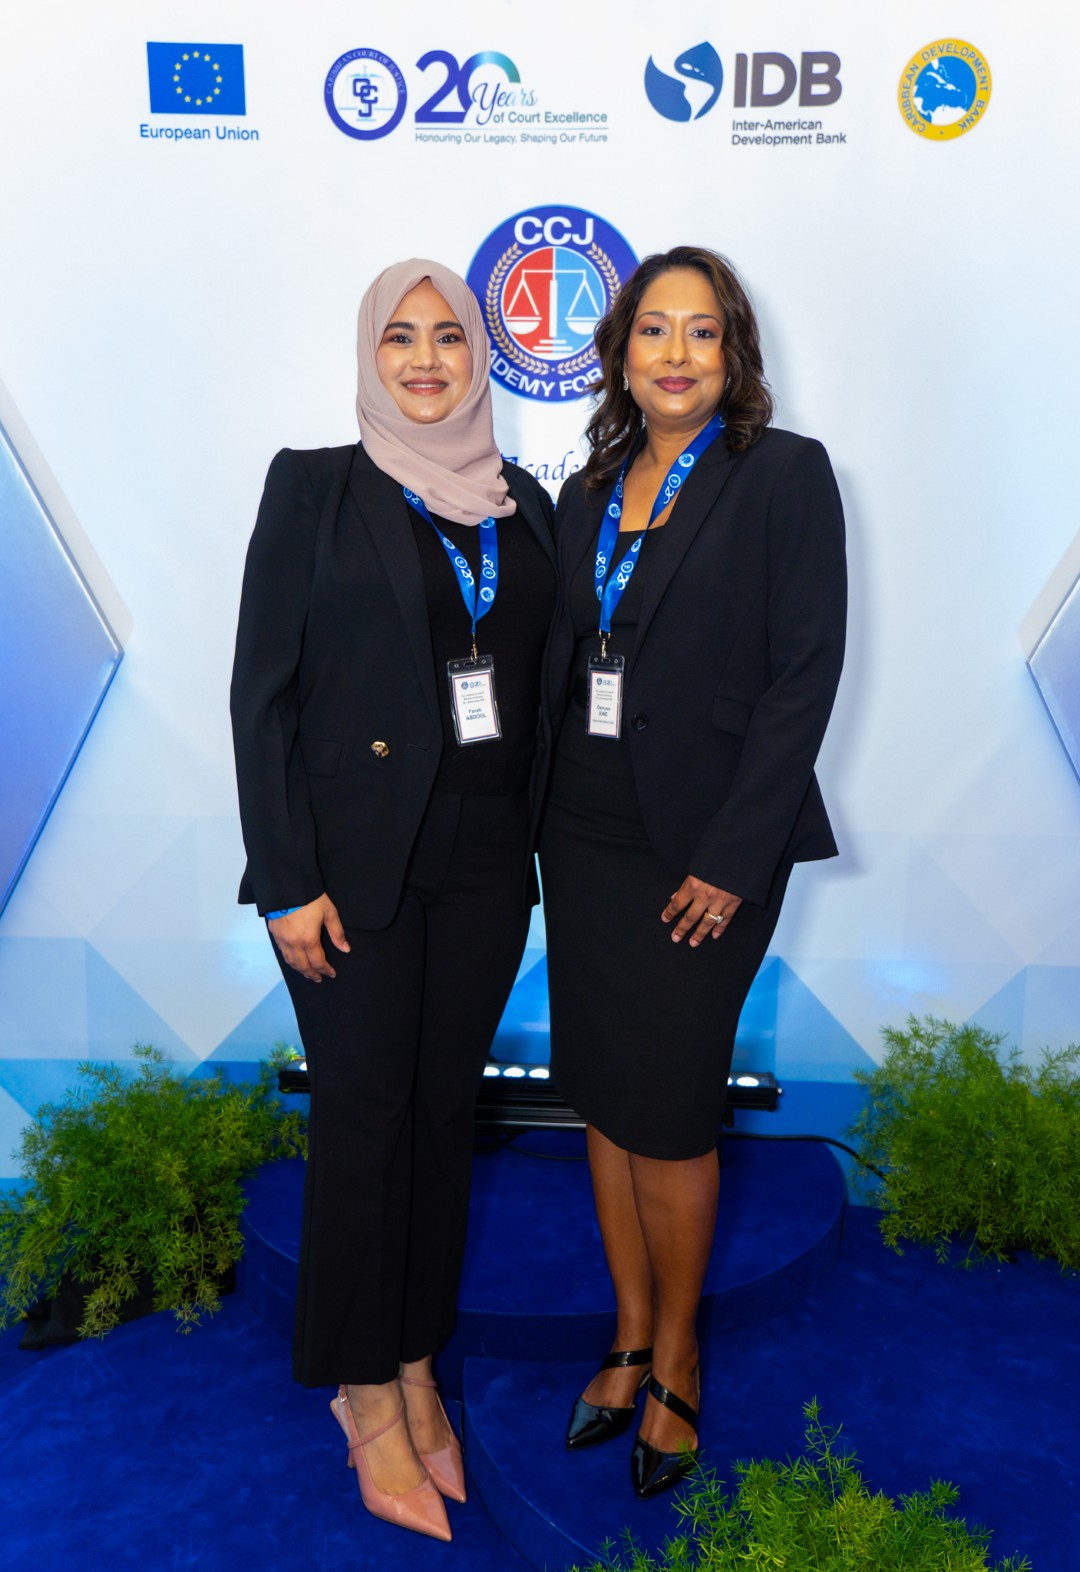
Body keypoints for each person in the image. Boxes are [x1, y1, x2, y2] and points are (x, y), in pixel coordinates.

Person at [230, 259, 556, 1541]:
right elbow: (262, 697)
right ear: (370, 356)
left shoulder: (522, 503)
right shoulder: (312, 488)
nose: (427, 360)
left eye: (449, 338)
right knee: (363, 1124)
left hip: (485, 868)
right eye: (401, 338)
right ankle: (362, 1391)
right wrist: (285, 882)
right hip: (349, 876)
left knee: (437, 1121)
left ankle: (417, 1359)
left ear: (481, 357)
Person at [538, 245, 846, 1499]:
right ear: (619, 353)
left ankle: (677, 1358)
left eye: (702, 331)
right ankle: (626, 1332)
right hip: (584, 836)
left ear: (734, 354)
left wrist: (733, 857)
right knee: (606, 1102)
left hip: (707, 848)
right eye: (654, 330)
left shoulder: (784, 475)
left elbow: (804, 677)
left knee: (666, 1109)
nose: (676, 354)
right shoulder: (584, 491)